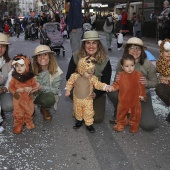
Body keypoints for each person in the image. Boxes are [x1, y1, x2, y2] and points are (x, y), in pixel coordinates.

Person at [107, 37, 158, 131]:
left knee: (149, 125)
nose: (135, 50)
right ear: (127, 50)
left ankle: (133, 114)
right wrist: (117, 80)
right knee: (111, 91)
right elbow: (116, 81)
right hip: (125, 95)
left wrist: (146, 83)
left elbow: (155, 82)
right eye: (132, 48)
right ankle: (121, 111)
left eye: (138, 48)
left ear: (142, 50)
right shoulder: (121, 62)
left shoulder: (147, 64)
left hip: (141, 96)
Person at [66, 30, 112, 123]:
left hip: (96, 91)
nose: (91, 46)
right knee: (81, 114)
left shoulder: (105, 60)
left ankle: (87, 107)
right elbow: (68, 76)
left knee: (97, 119)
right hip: (80, 89)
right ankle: (78, 106)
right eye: (88, 43)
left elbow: (106, 81)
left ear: (98, 45)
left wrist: (97, 94)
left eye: (94, 43)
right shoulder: (76, 56)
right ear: (84, 44)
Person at [65, 56, 111, 133]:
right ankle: (79, 121)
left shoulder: (92, 78)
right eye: (88, 72)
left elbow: (98, 84)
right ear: (82, 70)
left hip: (87, 100)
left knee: (88, 112)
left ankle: (89, 124)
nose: (91, 74)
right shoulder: (74, 76)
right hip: (77, 99)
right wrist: (68, 90)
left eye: (92, 72)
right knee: (78, 110)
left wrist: (106, 86)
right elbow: (69, 82)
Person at [110, 54, 146, 133]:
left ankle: (134, 125)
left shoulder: (138, 75)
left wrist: (142, 95)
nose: (130, 68)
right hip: (123, 100)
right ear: (122, 67)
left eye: (132, 65)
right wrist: (112, 87)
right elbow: (117, 84)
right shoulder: (121, 75)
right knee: (121, 112)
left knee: (136, 113)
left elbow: (141, 86)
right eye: (127, 66)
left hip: (135, 99)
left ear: (134, 65)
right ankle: (121, 123)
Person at [31, 45, 63, 121]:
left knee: (49, 98)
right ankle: (29, 108)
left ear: (50, 56)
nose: (42, 57)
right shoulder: (30, 69)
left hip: (44, 94)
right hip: (31, 94)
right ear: (36, 59)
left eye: (45, 54)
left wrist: (41, 87)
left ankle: (44, 108)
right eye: (39, 55)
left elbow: (56, 90)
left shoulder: (56, 71)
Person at [9, 55, 38, 134]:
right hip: (18, 98)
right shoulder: (14, 78)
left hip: (28, 98)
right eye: (17, 66)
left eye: (21, 66)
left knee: (29, 109)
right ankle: (18, 124)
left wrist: (31, 88)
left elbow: (35, 85)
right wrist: (16, 90)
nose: (19, 68)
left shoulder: (31, 78)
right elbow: (10, 87)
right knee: (18, 112)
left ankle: (28, 121)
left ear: (27, 66)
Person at [0, 33, 13, 133]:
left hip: (3, 90)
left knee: (9, 105)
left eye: (3, 46)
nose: (0, 49)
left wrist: (5, 88)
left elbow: (11, 80)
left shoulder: (10, 63)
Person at [155, 39, 170, 122]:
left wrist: (167, 78)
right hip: (167, 86)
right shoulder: (160, 62)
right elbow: (160, 74)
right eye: (166, 51)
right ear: (161, 52)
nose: (169, 53)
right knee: (160, 88)